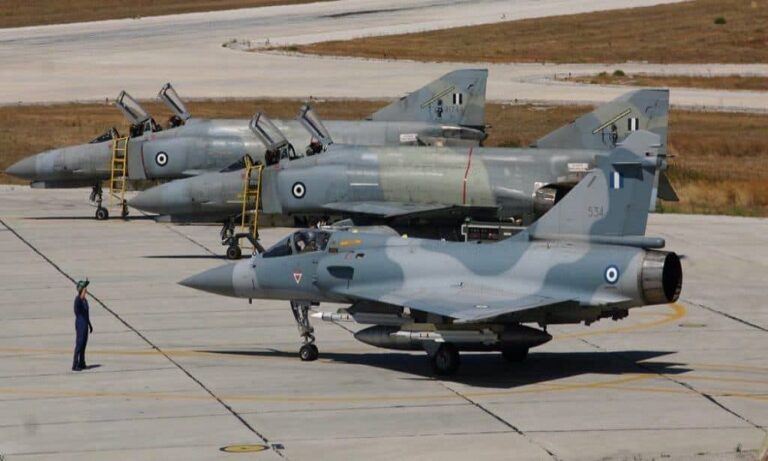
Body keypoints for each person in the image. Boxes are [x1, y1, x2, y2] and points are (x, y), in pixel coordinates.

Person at [72, 280, 94, 371]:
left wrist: (89, 324)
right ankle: (75, 365)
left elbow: (86, 313)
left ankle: (82, 362)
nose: (86, 290)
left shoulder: (85, 300)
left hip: (85, 324)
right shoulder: (78, 300)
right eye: (84, 289)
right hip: (80, 324)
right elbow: (78, 310)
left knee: (84, 344)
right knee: (79, 344)